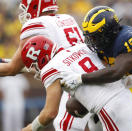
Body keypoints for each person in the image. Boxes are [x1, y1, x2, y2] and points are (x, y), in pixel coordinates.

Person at [0, 0, 91, 130]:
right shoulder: (68, 18)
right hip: (91, 74)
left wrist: (30, 128)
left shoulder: (35, 24)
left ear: (35, 6)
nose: (24, 12)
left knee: (63, 125)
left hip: (75, 86)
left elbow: (12, 68)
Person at [21, 35, 132, 131]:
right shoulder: (81, 47)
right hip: (129, 98)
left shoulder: (50, 69)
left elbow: (50, 112)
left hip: (112, 110)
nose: (37, 70)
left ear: (42, 59)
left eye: (35, 65)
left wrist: (32, 128)